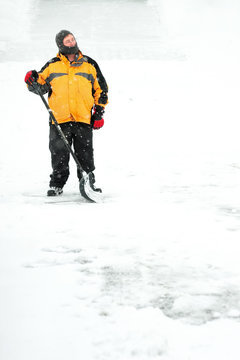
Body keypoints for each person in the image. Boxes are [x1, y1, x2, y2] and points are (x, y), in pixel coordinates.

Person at [24, 30, 108, 196]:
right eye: (68, 41)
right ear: (61, 45)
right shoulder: (52, 65)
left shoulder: (89, 64)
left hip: (83, 118)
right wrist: (31, 79)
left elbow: (101, 90)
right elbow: (39, 85)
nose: (72, 43)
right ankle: (57, 184)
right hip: (59, 119)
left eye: (73, 39)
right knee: (59, 154)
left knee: (85, 153)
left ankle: (88, 183)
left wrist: (98, 113)